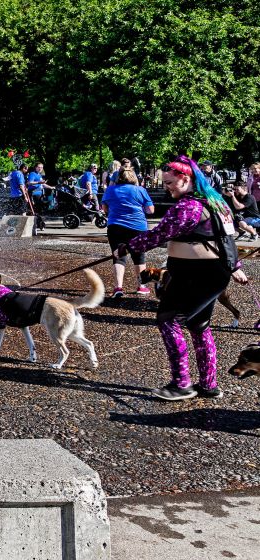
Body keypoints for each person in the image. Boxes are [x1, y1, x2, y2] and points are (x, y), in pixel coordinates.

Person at [117, 156, 249, 401]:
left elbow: (158, 235)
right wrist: (235, 265)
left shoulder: (188, 207)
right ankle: (208, 384)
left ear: (186, 179)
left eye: (169, 182)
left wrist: (126, 247)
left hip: (196, 275)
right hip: (210, 274)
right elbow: (227, 237)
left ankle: (182, 384)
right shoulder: (216, 201)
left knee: (169, 320)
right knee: (199, 325)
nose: (166, 187)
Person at [101, 168, 154, 298]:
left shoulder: (110, 190)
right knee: (139, 256)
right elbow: (150, 210)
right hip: (138, 227)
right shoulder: (140, 190)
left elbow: (104, 208)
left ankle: (118, 287)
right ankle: (141, 286)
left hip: (116, 226)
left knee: (119, 256)